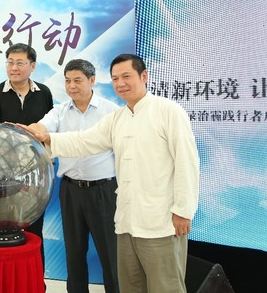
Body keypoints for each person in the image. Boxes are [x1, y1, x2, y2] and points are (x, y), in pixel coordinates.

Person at [17, 53, 200, 293]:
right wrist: (46, 137)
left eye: (126, 76)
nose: (120, 83)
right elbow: (84, 141)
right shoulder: (117, 118)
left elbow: (187, 162)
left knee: (164, 286)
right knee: (130, 285)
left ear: (144, 76)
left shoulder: (168, 111)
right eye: (115, 78)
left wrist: (183, 211)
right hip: (126, 221)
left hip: (160, 221)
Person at [27, 59, 120, 293]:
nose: (71, 86)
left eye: (77, 80)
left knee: (111, 253)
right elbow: (42, 127)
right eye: (67, 81)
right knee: (74, 252)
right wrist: (34, 130)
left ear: (92, 80)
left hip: (104, 192)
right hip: (70, 191)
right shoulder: (60, 111)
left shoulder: (111, 111)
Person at [0, 42, 54, 273]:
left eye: (20, 63)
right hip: (1, 174)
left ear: (32, 66)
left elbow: (50, 125)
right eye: (10, 62)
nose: (14, 68)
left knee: (33, 232)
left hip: (34, 174)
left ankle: (35, 282)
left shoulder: (44, 93)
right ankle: (1, 282)